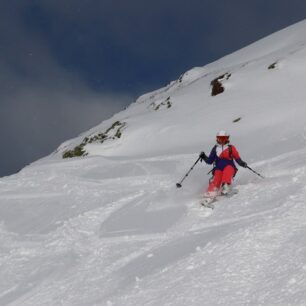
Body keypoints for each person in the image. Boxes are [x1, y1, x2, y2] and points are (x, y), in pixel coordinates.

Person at [199, 131, 247, 198]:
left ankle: (226, 186)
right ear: (217, 139)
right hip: (218, 168)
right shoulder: (215, 148)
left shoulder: (231, 148)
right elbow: (210, 161)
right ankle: (210, 192)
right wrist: (204, 157)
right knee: (217, 178)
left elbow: (237, 158)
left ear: (227, 138)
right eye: (219, 138)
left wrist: (242, 163)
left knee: (228, 170)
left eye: (223, 138)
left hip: (230, 167)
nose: (221, 140)